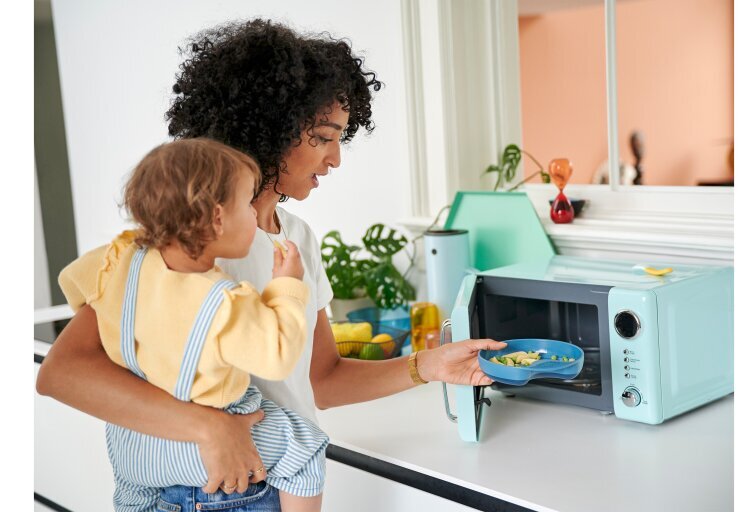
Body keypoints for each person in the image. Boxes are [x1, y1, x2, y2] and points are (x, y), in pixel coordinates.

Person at [36, 18, 507, 511]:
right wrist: (209, 425)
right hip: (204, 493)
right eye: (324, 137)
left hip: (274, 489)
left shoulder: (297, 240)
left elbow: (321, 379)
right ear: (271, 127)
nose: (336, 159)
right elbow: (63, 373)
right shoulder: (181, 244)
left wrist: (427, 366)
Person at [58, 137, 327, 511]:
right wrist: (287, 286)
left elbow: (73, 283)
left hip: (134, 447)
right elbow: (279, 356)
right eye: (247, 204)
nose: (255, 216)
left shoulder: (117, 261)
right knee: (306, 446)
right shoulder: (225, 302)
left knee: (134, 497)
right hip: (204, 448)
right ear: (218, 218)